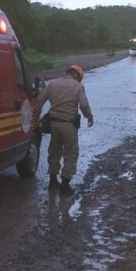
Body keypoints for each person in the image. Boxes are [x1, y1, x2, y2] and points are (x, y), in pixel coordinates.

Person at [35, 65, 94, 194]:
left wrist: (36, 117)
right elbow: (84, 105)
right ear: (77, 76)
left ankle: (52, 180)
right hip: (69, 125)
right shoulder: (78, 86)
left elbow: (39, 101)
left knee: (54, 151)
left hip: (54, 124)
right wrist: (89, 116)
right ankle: (65, 184)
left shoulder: (52, 84)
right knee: (71, 153)